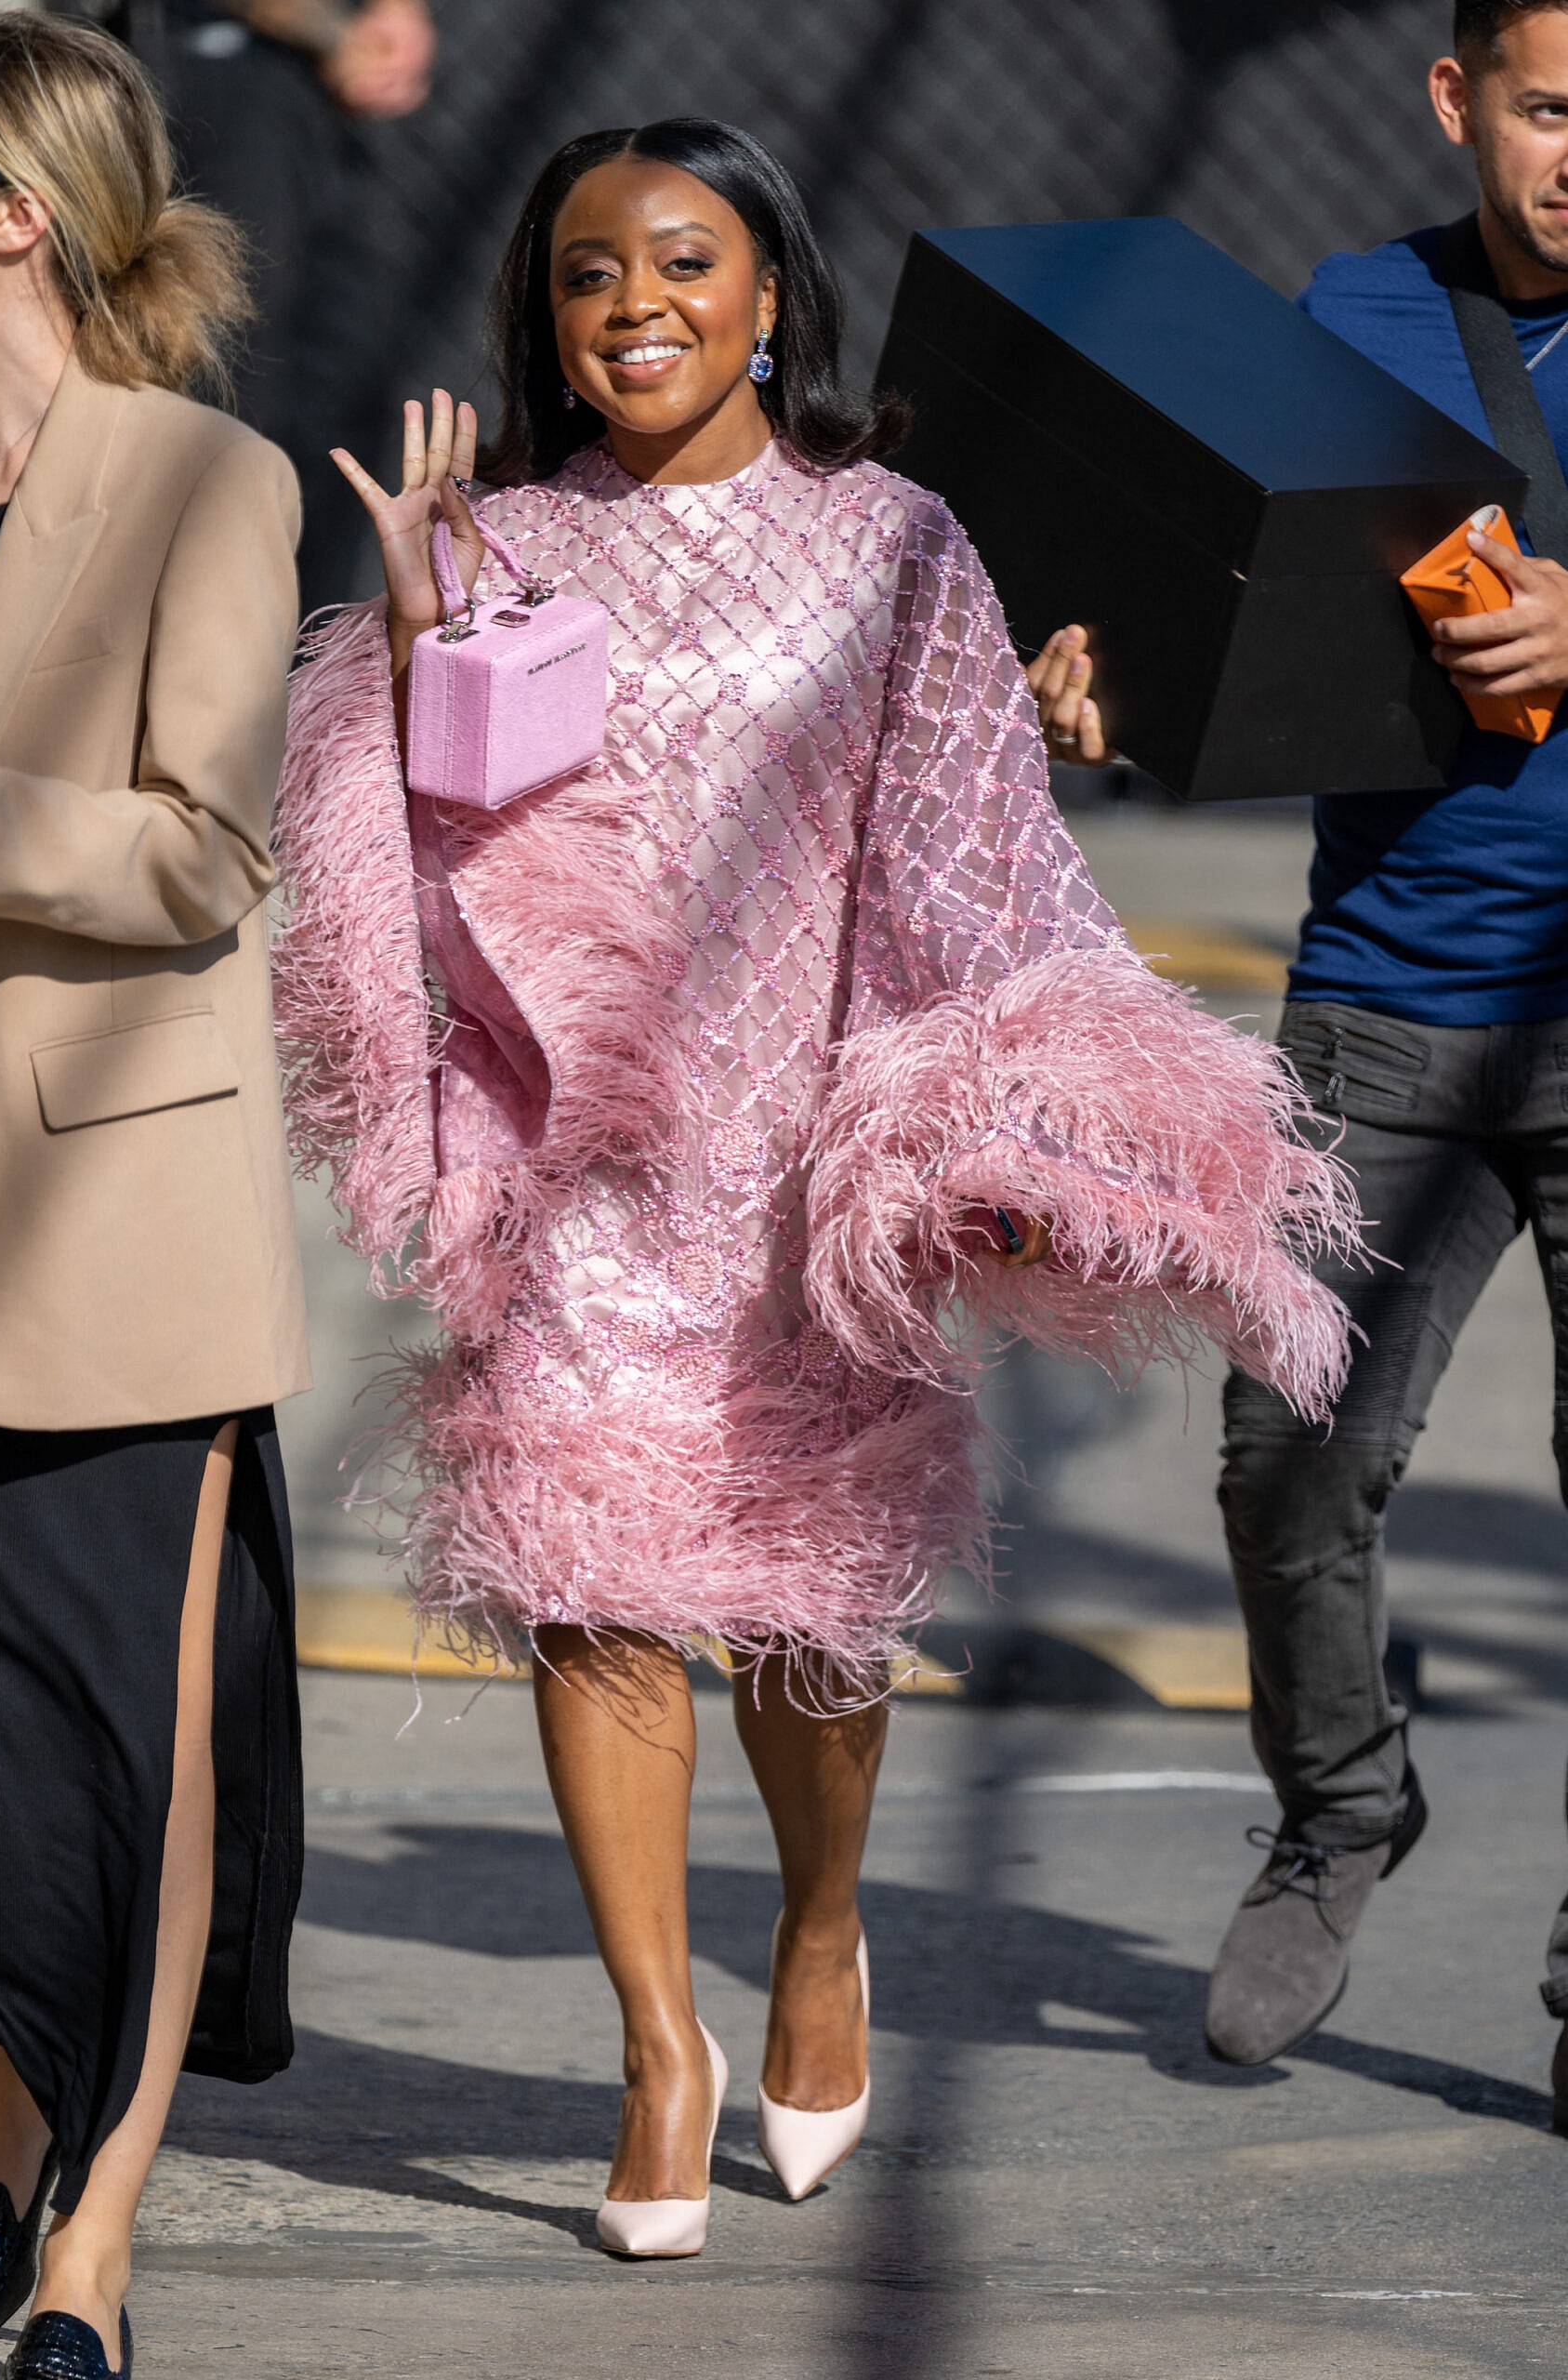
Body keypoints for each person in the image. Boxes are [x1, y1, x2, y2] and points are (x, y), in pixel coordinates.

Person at [274, 117, 1356, 2258]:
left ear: (772, 292)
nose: (633, 303)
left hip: (808, 1157)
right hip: (591, 1156)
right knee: (580, 1571)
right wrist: (419, 642)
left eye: (682, 258)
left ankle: (823, 1932)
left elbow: (971, 864)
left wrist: (1008, 1127)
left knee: (814, 1606)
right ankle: (659, 2040)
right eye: (587, 273)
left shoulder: (893, 542)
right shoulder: (500, 534)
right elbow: (446, 864)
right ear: (547, 320)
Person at [1031, 0, 1568, 2090]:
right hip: (1384, 989)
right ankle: (1341, 1800)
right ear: (1454, 102)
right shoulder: (1355, 311)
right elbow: (1242, 624)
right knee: (1282, 1457)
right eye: (1544, 108)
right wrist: (1114, 689)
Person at [0, 13, 309, 2373]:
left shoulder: (203, 482)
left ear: (16, 208)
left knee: (117, 1753)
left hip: (100, 1215)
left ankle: (88, 2242)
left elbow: (209, 849)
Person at [56, 0, 437, 613]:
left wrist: (395, 15)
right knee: (226, 404)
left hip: (318, 99)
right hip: (200, 69)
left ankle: (304, 684)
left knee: (339, 412)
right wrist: (333, 30)